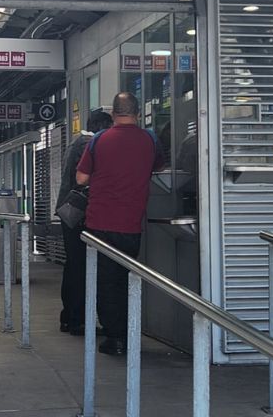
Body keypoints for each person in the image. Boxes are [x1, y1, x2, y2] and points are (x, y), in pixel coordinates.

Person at [76, 93, 163, 355]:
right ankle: (129, 332)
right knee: (126, 278)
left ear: (114, 113)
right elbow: (158, 169)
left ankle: (115, 337)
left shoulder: (100, 139)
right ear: (137, 113)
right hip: (132, 223)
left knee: (105, 281)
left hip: (100, 222)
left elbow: (81, 179)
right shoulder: (150, 139)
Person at [56, 110, 113, 336]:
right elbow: (86, 179)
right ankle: (77, 319)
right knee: (80, 266)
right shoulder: (88, 144)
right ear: (101, 126)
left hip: (70, 212)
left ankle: (70, 317)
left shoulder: (76, 142)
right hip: (80, 214)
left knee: (73, 265)